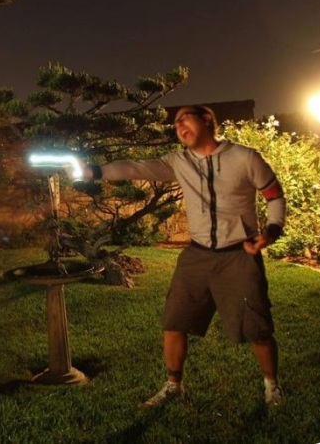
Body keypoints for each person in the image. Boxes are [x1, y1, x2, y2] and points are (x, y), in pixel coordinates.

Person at [74, 105, 286, 408]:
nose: (178, 126)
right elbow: (136, 167)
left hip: (239, 255)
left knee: (257, 327)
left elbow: (274, 195)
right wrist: (95, 171)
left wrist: (272, 230)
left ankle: (271, 386)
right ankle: (173, 385)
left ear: (207, 119)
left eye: (184, 119)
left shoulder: (245, 158)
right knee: (174, 321)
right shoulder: (179, 162)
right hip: (196, 254)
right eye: (175, 124)